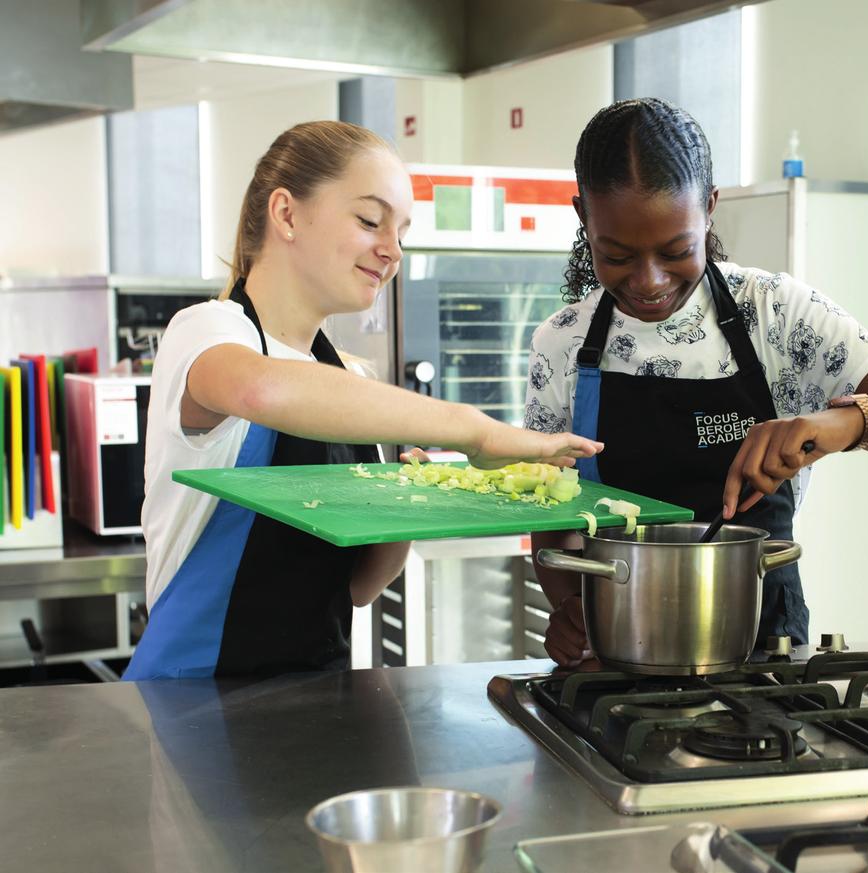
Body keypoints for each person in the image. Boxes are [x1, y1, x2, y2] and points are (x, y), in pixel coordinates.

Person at [123, 121, 602, 681]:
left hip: (318, 700)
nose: (392, 250)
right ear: (286, 214)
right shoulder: (209, 332)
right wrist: (478, 431)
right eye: (370, 221)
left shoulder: (346, 377)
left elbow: (355, 588)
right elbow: (260, 389)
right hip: (190, 702)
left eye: (401, 231)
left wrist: (406, 507)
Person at [527, 98, 868, 667]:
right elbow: (552, 516)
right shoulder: (564, 342)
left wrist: (846, 423)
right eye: (617, 255)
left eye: (677, 251)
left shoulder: (777, 314)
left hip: (761, 645)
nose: (648, 281)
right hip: (619, 645)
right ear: (584, 218)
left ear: (710, 209)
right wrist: (571, 608)